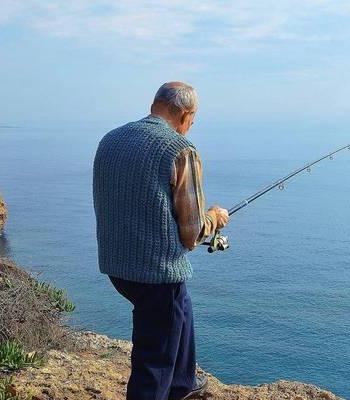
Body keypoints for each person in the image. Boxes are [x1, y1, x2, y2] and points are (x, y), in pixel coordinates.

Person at [92, 82, 229, 400]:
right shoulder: (180, 150)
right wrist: (214, 217)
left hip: (117, 265)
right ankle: (164, 388)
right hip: (153, 270)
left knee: (180, 304)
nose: (190, 127)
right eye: (192, 120)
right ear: (186, 114)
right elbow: (192, 232)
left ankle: (183, 382)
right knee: (153, 363)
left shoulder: (111, 140)